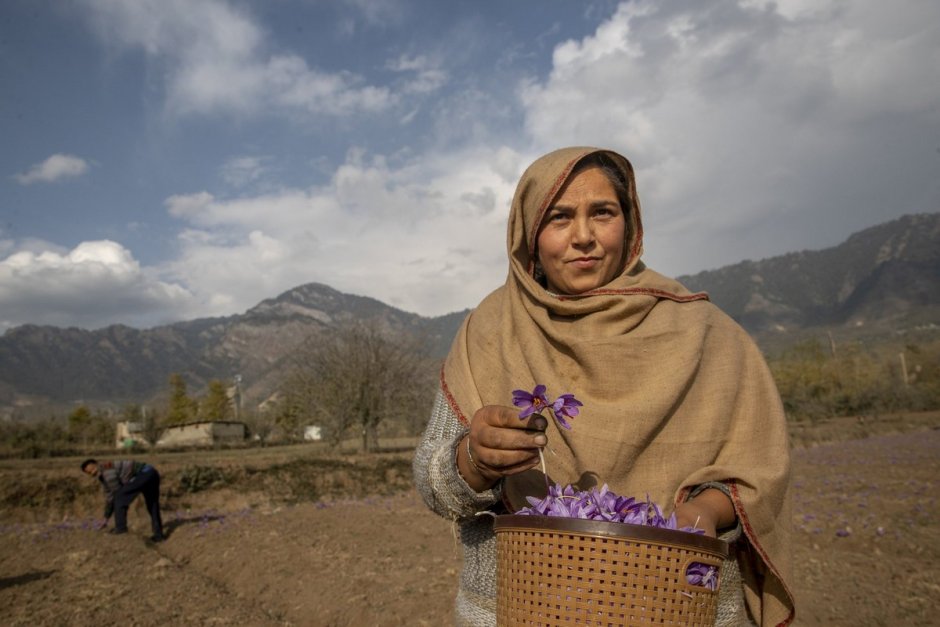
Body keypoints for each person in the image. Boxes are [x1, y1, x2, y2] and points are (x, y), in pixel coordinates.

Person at [413, 147, 795, 626]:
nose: (584, 237)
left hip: (677, 605)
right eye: (559, 218)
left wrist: (706, 510)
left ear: (629, 223)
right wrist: (474, 458)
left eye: (602, 213)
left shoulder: (706, 333)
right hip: (518, 608)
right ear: (530, 234)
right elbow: (433, 484)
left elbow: (758, 469)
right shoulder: (488, 332)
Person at [81, 458, 165, 542]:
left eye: (92, 468)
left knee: (120, 497)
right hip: (151, 472)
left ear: (97, 464)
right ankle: (159, 535)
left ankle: (120, 528)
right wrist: (106, 518)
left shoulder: (107, 472)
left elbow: (116, 493)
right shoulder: (103, 476)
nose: (92, 472)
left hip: (144, 474)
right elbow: (109, 496)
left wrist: (107, 517)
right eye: (89, 472)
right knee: (152, 504)